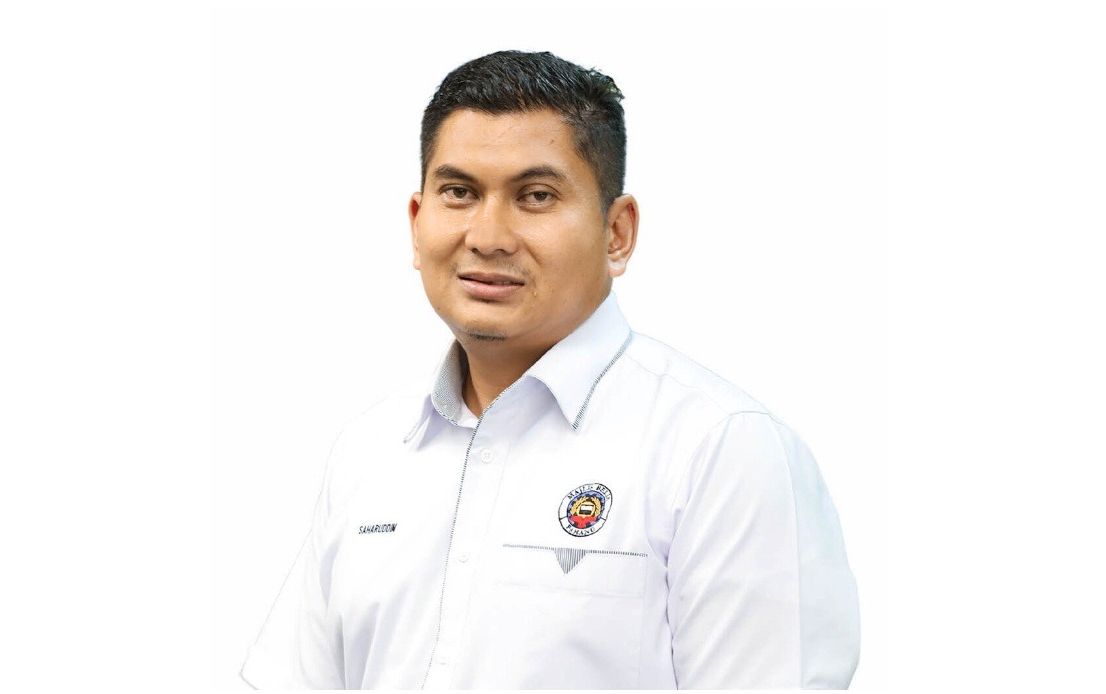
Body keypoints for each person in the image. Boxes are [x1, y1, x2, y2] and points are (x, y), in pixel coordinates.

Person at [241, 50, 860, 689]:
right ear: (417, 221)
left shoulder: (722, 450)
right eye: (459, 193)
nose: (488, 236)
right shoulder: (370, 451)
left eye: (535, 196)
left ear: (617, 233)